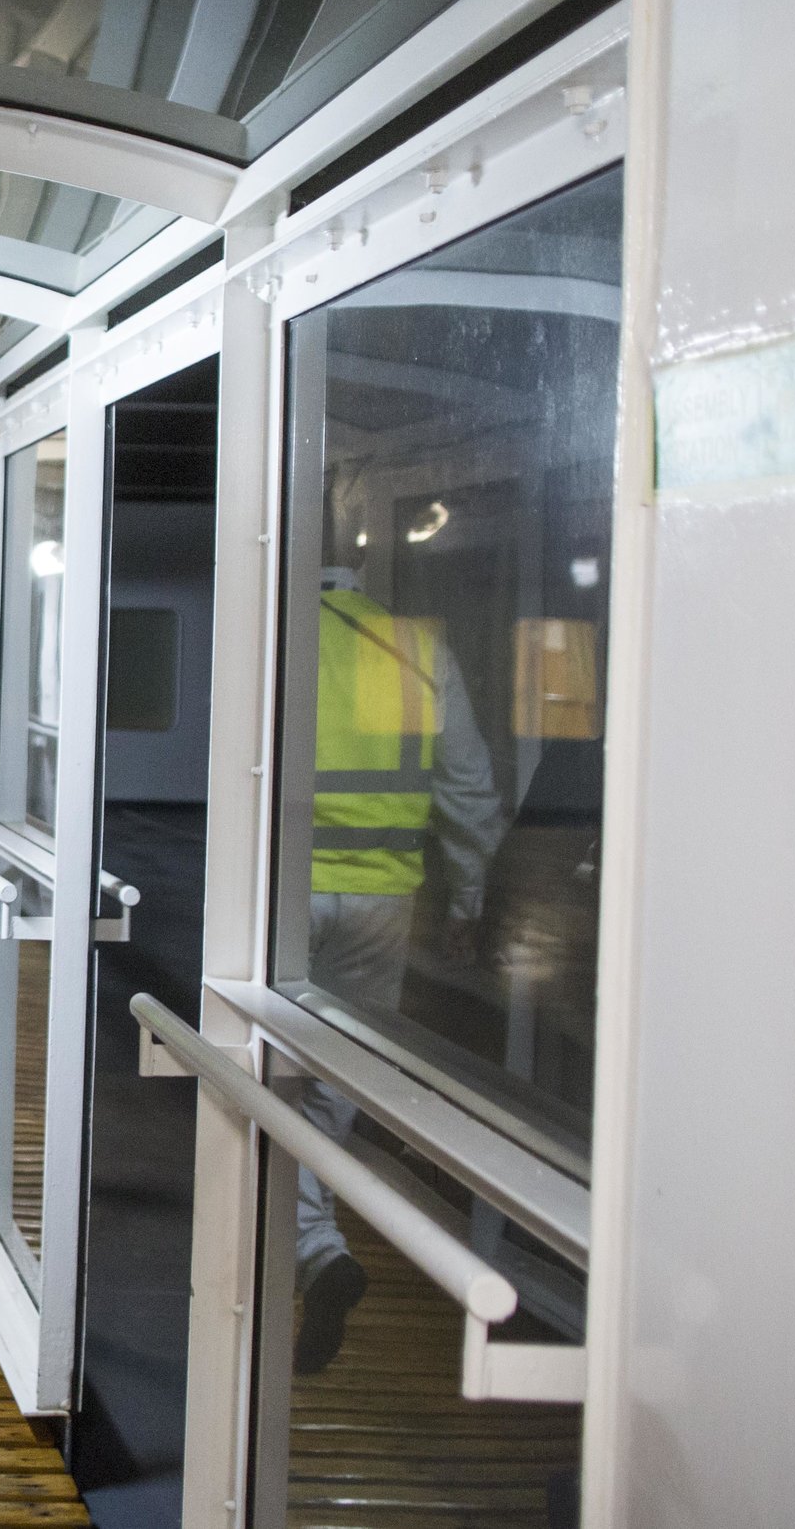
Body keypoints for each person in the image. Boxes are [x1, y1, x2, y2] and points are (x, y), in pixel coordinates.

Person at [293, 567, 503, 1372]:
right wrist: (468, 899)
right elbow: (468, 781)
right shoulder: (415, 648)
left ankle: (301, 1242)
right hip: (384, 893)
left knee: (266, 1063)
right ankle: (314, 1238)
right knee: (337, 1077)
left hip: (290, 886)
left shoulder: (286, 634)